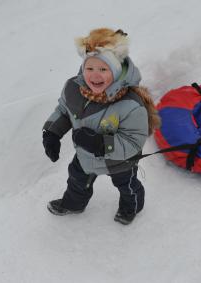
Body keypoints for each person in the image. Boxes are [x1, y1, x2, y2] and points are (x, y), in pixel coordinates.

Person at [42, 28, 160, 225]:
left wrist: (101, 144)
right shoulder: (73, 89)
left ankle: (131, 207)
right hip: (84, 156)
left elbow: (133, 140)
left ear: (115, 71)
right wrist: (52, 132)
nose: (95, 76)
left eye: (103, 69)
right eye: (90, 68)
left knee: (127, 186)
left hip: (120, 161)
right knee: (77, 181)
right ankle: (74, 204)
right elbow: (63, 110)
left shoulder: (131, 104)